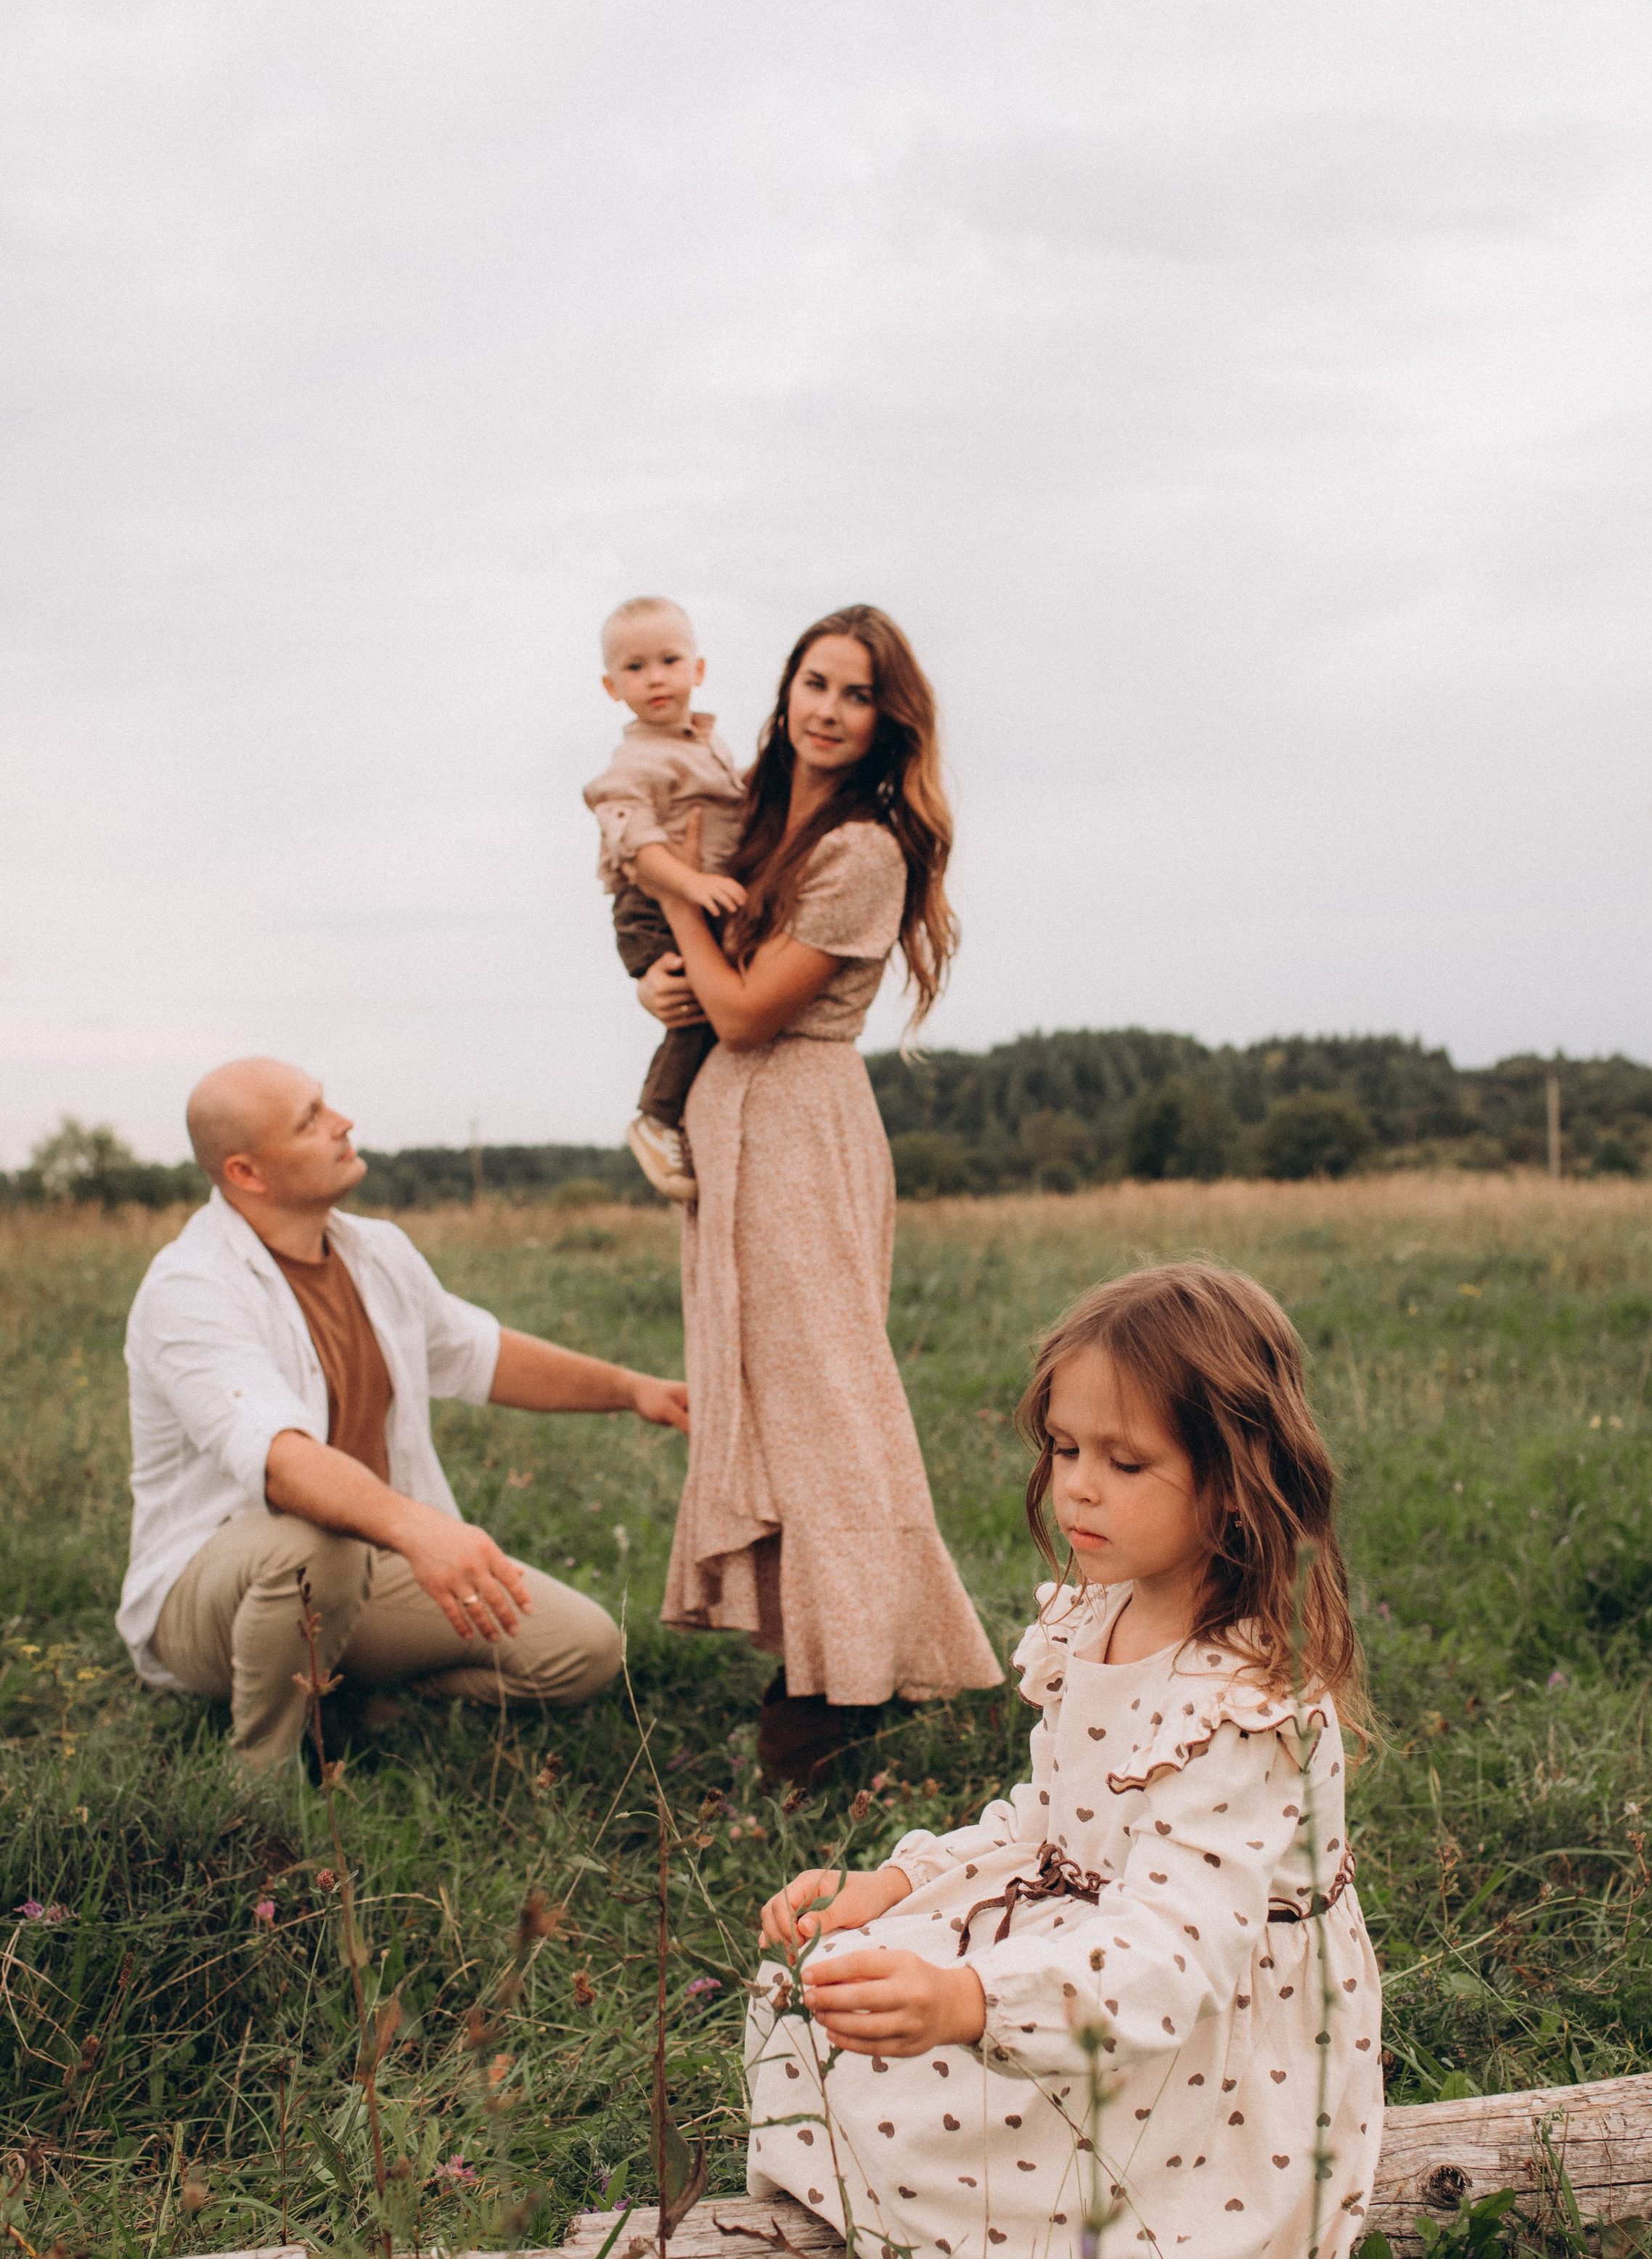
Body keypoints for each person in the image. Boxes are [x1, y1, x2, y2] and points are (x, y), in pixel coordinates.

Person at [745, 1262, 1383, 2259]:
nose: (1077, 1488)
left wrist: (972, 1999)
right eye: (1065, 1449)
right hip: (1098, 1951)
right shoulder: (1104, 1613)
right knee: (822, 1989)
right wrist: (890, 1889)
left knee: (963, 2122)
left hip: (1196, 2031)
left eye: (1125, 1462)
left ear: (1233, 1484)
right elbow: (1051, 1820)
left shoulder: (1242, 1706)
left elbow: (1171, 1953)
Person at [636, 604, 1002, 1783]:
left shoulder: (865, 851)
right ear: (785, 686)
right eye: (815, 681)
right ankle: (817, 1664)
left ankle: (849, 1690)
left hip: (797, 1126)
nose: (829, 710)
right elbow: (699, 977)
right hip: (730, 1127)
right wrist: (661, 973)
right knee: (764, 1402)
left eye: (856, 695)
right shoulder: (745, 813)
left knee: (831, 1413)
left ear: (887, 722)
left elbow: (745, 1009)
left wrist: (686, 919)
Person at [118, 1057, 689, 1772]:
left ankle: (352, 1696)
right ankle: (255, 1788)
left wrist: (634, 1390)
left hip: (360, 1563)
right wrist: (422, 1530)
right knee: (312, 1545)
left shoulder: (374, 1250)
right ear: (247, 1174)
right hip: (214, 1597)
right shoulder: (192, 1288)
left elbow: (479, 1353)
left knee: (583, 1651)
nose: (343, 1123)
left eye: (326, 1105)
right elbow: (281, 1461)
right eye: (311, 1120)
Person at [582, 595, 746, 1204]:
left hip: (689, 897)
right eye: (634, 667)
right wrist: (691, 885)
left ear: (697, 671)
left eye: (669, 660)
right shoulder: (636, 761)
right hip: (650, 905)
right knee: (696, 1003)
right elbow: (634, 842)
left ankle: (687, 1116)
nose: (654, 677)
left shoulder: (709, 745)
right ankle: (657, 1117)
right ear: (611, 686)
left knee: (711, 1000)